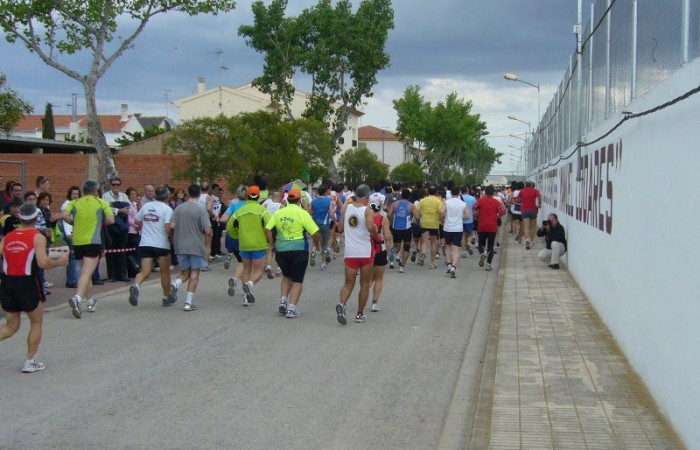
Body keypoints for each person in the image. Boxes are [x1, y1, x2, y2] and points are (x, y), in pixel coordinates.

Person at [0, 203, 68, 373]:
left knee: (11, 327)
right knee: (36, 322)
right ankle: (30, 361)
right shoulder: (37, 237)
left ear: (20, 218)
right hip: (28, 282)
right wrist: (60, 261)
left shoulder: (7, 236)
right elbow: (43, 262)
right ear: (36, 219)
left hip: (8, 283)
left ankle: (31, 361)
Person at [62, 180, 115, 318]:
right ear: (96, 191)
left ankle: (90, 301)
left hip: (78, 241)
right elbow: (111, 220)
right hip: (93, 240)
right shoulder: (100, 202)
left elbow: (64, 215)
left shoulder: (75, 202)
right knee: (87, 272)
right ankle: (77, 298)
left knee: (86, 273)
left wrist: (74, 222)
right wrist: (99, 222)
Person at [265, 188, 320, 318]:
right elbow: (315, 232)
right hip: (298, 249)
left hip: (281, 249)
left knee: (286, 276)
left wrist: (272, 243)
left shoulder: (279, 212)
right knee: (297, 280)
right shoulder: (303, 213)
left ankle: (283, 300)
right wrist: (317, 245)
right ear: (300, 200)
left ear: (287, 200)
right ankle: (292, 308)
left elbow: (267, 229)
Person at [335, 184, 380, 325]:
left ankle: (342, 304)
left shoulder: (346, 208)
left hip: (350, 252)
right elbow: (369, 227)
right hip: (365, 253)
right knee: (365, 284)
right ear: (366, 197)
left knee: (348, 283)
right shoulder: (368, 211)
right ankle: (359, 314)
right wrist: (376, 234)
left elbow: (340, 227)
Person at [128, 186, 175, 307]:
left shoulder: (146, 206)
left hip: (146, 243)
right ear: (167, 196)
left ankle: (136, 285)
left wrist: (148, 224)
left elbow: (137, 221)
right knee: (164, 272)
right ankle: (166, 297)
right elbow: (168, 228)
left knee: (145, 271)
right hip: (161, 244)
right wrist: (172, 238)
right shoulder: (167, 209)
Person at [170, 184, 212, 312]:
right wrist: (208, 243)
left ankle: (175, 284)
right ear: (199, 194)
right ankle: (188, 303)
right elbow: (208, 230)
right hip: (196, 246)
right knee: (194, 274)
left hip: (181, 245)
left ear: (188, 193)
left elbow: (171, 226)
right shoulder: (201, 210)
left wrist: (174, 238)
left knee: (184, 272)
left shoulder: (178, 209)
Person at [229, 185, 270, 306]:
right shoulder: (262, 211)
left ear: (247, 196)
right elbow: (269, 225)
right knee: (259, 270)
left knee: (246, 269)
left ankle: (246, 297)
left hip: (244, 244)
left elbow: (229, 226)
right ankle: (250, 284)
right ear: (258, 197)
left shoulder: (239, 211)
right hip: (258, 244)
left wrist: (237, 235)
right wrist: (269, 240)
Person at [102, 177, 131, 282]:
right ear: (110, 185)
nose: (115, 187)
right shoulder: (105, 196)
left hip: (122, 227)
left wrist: (121, 209)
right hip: (111, 226)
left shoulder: (124, 196)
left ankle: (123, 274)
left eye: (117, 185)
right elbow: (106, 209)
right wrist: (119, 210)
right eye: (113, 185)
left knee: (122, 251)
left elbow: (129, 208)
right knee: (111, 251)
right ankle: (112, 275)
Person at [472, 185, 506, 271]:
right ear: (493, 193)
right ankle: (488, 264)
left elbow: (474, 208)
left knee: (480, 244)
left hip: (482, 225)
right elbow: (502, 212)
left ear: (485, 192)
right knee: (491, 245)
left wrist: (477, 215)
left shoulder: (480, 201)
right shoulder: (496, 202)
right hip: (492, 226)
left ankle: (482, 253)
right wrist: (497, 217)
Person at [387, 189, 421, 273]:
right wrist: (417, 222)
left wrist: (392, 221)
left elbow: (388, 214)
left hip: (396, 228)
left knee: (397, 246)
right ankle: (402, 267)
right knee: (406, 248)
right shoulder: (411, 206)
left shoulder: (394, 204)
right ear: (409, 197)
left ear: (401, 196)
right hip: (407, 229)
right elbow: (417, 217)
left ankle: (393, 251)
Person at [441, 186, 470, 278]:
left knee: (448, 247)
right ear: (459, 193)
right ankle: (454, 267)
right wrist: (460, 217)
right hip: (458, 228)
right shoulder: (463, 203)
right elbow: (467, 216)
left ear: (451, 193)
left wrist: (442, 218)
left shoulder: (446, 202)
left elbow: (441, 212)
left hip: (447, 227)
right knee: (456, 248)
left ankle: (449, 266)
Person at [369, 199, 392, 312]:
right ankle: (374, 303)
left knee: (368, 278)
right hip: (380, 250)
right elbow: (387, 236)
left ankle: (362, 300)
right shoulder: (383, 219)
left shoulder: (366, 218)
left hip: (367, 250)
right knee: (379, 278)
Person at [59, 186, 82, 288]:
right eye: (73, 194)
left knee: (74, 257)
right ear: (70, 194)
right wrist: (68, 233)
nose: (75, 196)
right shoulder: (67, 205)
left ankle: (72, 279)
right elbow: (66, 220)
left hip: (77, 233)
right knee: (73, 257)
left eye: (77, 194)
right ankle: (72, 280)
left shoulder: (77, 204)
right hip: (71, 233)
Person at [310, 184, 334, 270]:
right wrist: (335, 220)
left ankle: (313, 252)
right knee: (325, 243)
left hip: (314, 224)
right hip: (324, 224)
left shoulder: (314, 201)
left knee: (315, 241)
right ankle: (323, 263)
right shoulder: (329, 201)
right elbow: (331, 213)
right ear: (325, 192)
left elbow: (310, 211)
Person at [418, 186, 443, 268]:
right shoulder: (438, 201)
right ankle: (432, 262)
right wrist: (441, 219)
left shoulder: (422, 200)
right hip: (434, 223)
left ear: (427, 192)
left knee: (424, 242)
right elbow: (441, 211)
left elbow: (418, 210)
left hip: (424, 222)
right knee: (434, 243)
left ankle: (423, 254)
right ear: (436, 192)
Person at [519, 181, 541, 250]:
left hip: (524, 210)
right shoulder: (535, 191)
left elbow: (519, 200)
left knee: (526, 226)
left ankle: (527, 240)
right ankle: (532, 241)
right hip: (533, 210)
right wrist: (539, 204)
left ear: (525, 185)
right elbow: (539, 197)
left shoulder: (522, 191)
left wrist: (522, 201)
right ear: (532, 185)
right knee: (533, 227)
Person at [460, 185, 477, 257]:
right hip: (469, 220)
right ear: (467, 190)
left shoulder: (459, 198)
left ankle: (464, 252)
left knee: (462, 236)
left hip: (460, 220)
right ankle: (469, 243)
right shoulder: (472, 198)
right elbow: (475, 209)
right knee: (469, 234)